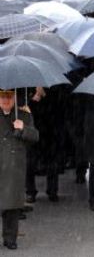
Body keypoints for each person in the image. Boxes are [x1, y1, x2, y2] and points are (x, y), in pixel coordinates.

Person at [0, 89, 39, 251]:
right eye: (2, 97)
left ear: (15, 98)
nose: (6, 100)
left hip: (14, 165)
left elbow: (35, 136)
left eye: (9, 96)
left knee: (12, 205)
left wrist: (23, 128)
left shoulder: (23, 114)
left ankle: (10, 238)